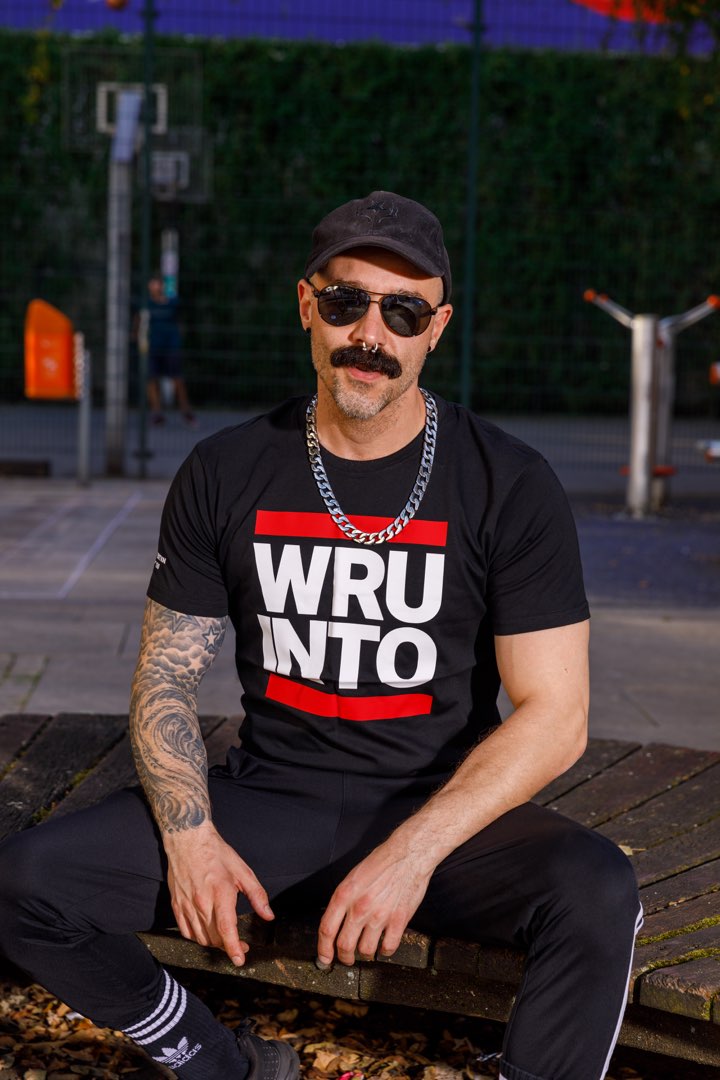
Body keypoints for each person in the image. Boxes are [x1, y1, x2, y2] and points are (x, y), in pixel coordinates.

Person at [0, 191, 642, 1080]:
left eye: (404, 311)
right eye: (347, 302)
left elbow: (556, 716)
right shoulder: (227, 468)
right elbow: (164, 680)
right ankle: (216, 1061)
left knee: (597, 888)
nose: (371, 334)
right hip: (270, 798)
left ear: (436, 330)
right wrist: (190, 839)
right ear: (307, 305)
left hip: (433, 807)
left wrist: (411, 855)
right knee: (26, 882)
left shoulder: (509, 482)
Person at [144, 274, 196, 427]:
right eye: (152, 284)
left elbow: (181, 321)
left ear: (162, 286)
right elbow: (139, 322)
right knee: (152, 379)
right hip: (153, 347)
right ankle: (157, 413)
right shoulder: (146, 304)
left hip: (171, 347)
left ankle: (186, 411)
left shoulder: (173, 303)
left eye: (157, 284)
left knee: (177, 378)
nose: (155, 287)